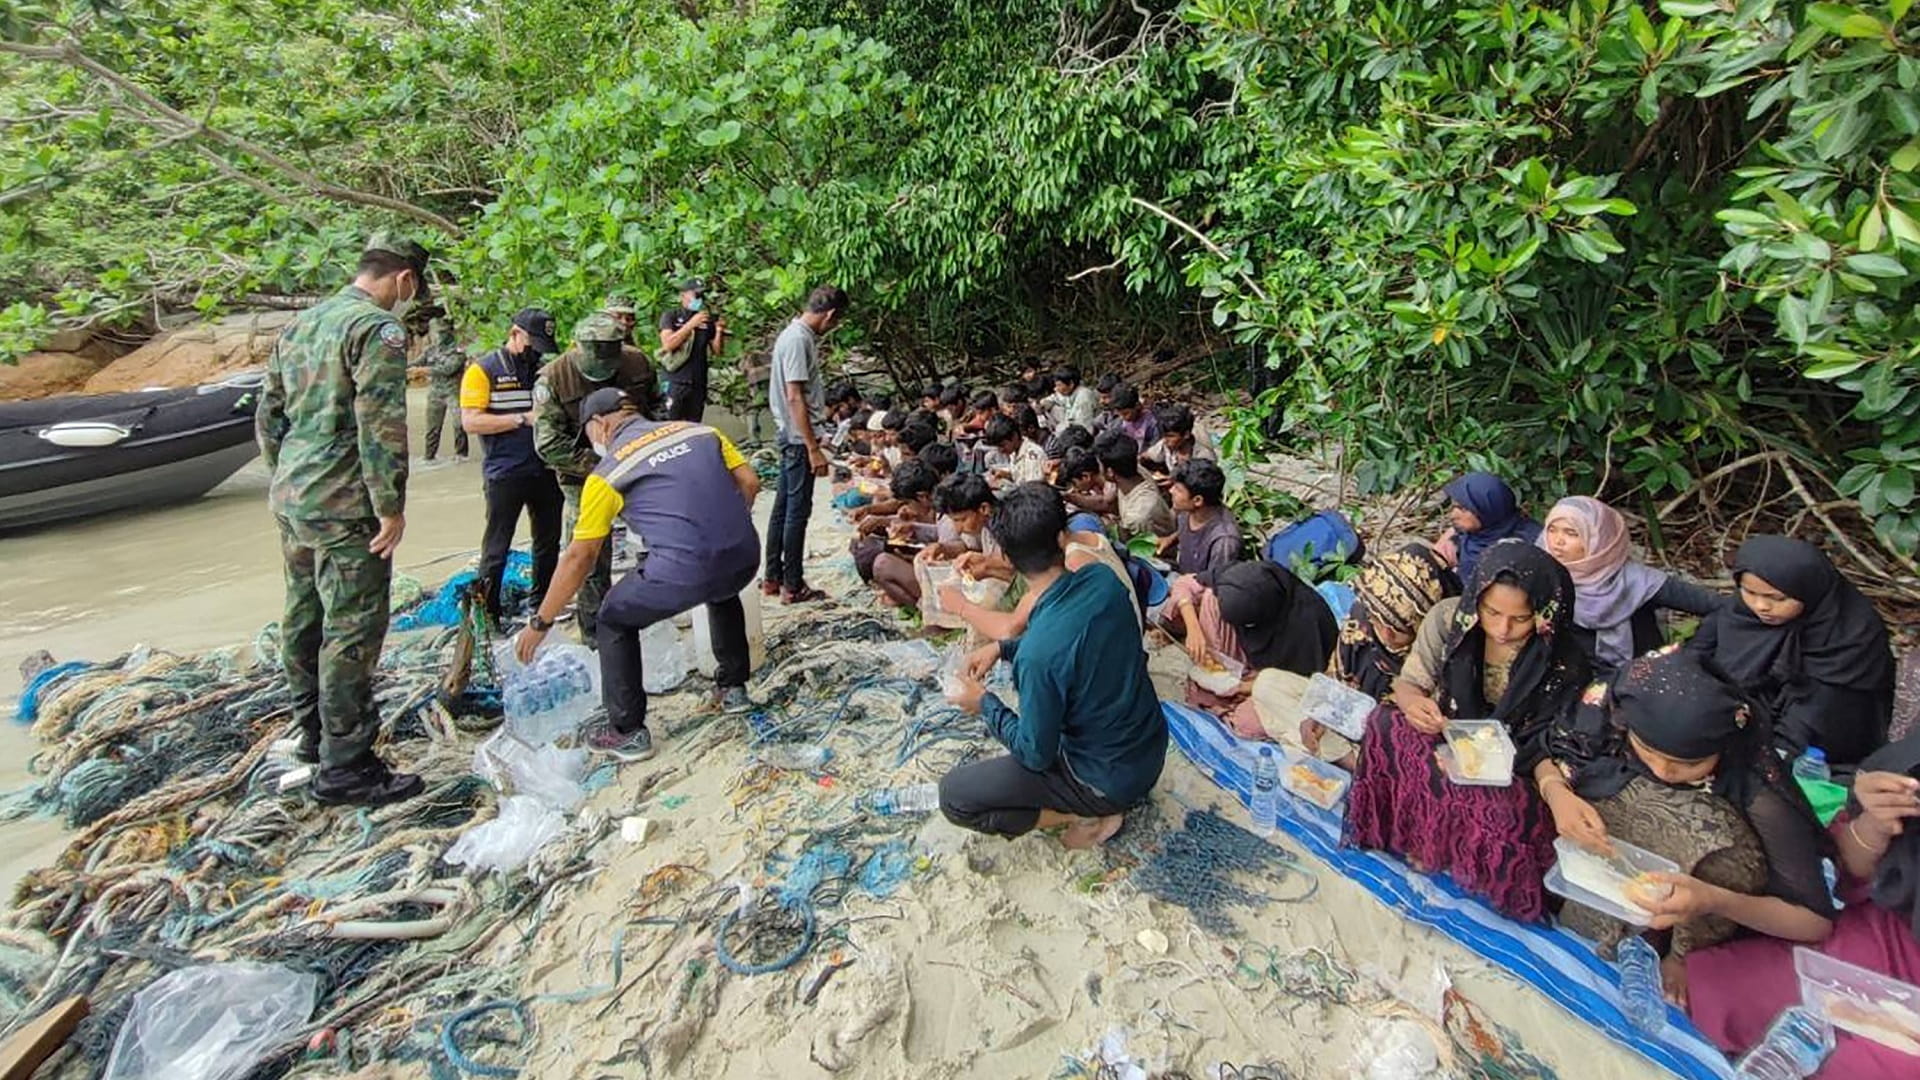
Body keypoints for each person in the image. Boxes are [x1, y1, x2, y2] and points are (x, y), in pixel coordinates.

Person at [1538, 649, 1835, 986]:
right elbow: (1547, 754)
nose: (1663, 771)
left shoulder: (1757, 792)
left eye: (1691, 764)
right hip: (1597, 886)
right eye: (1648, 752)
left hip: (1699, 915)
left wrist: (1710, 899)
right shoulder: (1606, 724)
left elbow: (1813, 922)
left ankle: (1679, 956)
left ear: (1723, 746)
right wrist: (1557, 793)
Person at [255, 232, 429, 806]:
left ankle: (313, 736)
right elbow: (381, 424)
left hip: (293, 497)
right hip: (346, 503)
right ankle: (348, 766)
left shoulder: (300, 325)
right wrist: (390, 505)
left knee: (302, 615)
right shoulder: (375, 330)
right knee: (352, 630)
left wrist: (287, 478)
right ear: (405, 279)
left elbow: (269, 416)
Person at [1345, 541, 1591, 921]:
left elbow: (1546, 746)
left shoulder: (1563, 662)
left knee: (1508, 808)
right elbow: (1409, 684)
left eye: (1521, 619)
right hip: (1447, 736)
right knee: (1383, 722)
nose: (1502, 629)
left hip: (1514, 764)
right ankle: (1419, 837)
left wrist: (1554, 790)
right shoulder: (1449, 620)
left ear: (1545, 614)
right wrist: (1413, 704)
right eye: (1491, 612)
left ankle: (1471, 864)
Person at [514, 389, 761, 760]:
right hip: (744, 554)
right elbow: (751, 482)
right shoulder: (700, 432)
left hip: (685, 570)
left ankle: (626, 730)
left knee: (613, 617)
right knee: (721, 587)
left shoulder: (607, 474)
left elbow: (580, 557)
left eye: (589, 433)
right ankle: (733, 688)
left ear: (600, 424)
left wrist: (541, 621)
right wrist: (727, 528)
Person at [938, 483, 1167, 848]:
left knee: (954, 797)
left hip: (1103, 781)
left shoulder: (1038, 656)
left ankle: (1082, 814)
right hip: (1149, 750)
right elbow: (1074, 645)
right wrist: (1002, 648)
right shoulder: (1103, 579)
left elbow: (1034, 753)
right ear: (1062, 538)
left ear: (1006, 557)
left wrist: (984, 704)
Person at [1684, 736, 1920, 1075]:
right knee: (1706, 990)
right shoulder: (1913, 768)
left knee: (1865, 1065)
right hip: (1877, 944)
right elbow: (1850, 873)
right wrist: (1874, 824)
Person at [1685, 535, 1894, 766]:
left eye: (1777, 598)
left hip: (1818, 733)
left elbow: (1820, 710)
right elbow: (1693, 661)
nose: (1761, 606)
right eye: (1750, 593)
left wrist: (1769, 756)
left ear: (1808, 590)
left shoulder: (1850, 634)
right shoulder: (1739, 612)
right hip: (1740, 714)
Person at [533, 313, 660, 643]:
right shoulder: (554, 378)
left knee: (661, 538)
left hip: (639, 466)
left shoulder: (637, 364)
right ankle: (596, 632)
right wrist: (601, 465)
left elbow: (660, 411)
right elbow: (548, 445)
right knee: (589, 556)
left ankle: (655, 610)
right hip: (583, 475)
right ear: (577, 347)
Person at [1537, 495, 1726, 675]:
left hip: (1640, 683)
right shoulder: (1540, 576)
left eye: (1571, 533)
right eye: (1551, 530)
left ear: (1598, 539)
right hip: (1568, 683)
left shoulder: (1637, 582)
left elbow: (1723, 607)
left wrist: (1691, 655)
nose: (1557, 542)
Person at [462, 307, 564, 626]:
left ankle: (543, 606)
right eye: (532, 344)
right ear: (515, 334)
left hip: (546, 469)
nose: (536, 352)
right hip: (505, 473)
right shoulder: (483, 370)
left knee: (548, 543)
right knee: (496, 548)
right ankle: (489, 616)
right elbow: (471, 422)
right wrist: (521, 419)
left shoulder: (546, 370)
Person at [1170, 560, 1339, 737]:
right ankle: (1226, 683)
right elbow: (1183, 584)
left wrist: (1244, 687)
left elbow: (1300, 683)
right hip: (1243, 658)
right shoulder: (1241, 579)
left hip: (1274, 678)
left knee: (1246, 722)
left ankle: (1234, 697)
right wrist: (1193, 629)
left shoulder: (1308, 623)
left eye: (1249, 625)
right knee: (1210, 597)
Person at [764, 285, 850, 603]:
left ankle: (773, 577)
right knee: (797, 512)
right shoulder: (799, 340)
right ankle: (793, 584)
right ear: (830, 315)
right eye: (836, 321)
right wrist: (813, 447)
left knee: (782, 508)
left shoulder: (794, 336)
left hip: (793, 434)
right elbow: (794, 396)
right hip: (797, 439)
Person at [1437, 471, 1540, 583]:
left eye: (1463, 509)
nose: (1453, 515)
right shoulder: (1470, 533)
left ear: (1487, 509)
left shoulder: (1530, 545)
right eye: (1454, 506)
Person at [1068, 430, 1172, 541]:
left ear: (1110, 472)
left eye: (1099, 465)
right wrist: (1068, 497)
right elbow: (1104, 502)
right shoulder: (1131, 470)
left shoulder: (1137, 516)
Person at [657, 277, 727, 422]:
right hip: (675, 380)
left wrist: (719, 330)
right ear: (683, 295)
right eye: (696, 294)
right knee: (670, 423)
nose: (699, 298)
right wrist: (690, 325)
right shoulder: (671, 315)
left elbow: (717, 351)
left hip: (698, 382)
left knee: (694, 424)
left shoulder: (706, 319)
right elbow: (668, 345)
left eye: (701, 295)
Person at [1162, 459, 1240, 575]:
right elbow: (1190, 531)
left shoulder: (1224, 542)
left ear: (1197, 500)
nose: (1171, 490)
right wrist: (1170, 540)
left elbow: (1217, 582)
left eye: (1178, 489)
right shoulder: (1188, 511)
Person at [600, 295, 662, 417]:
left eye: (629, 319)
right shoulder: (590, 350)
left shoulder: (639, 358)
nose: (624, 322)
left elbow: (655, 398)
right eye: (618, 317)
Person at [416, 317, 469, 461]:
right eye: (435, 332)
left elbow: (448, 369)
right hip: (435, 392)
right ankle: (429, 456)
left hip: (453, 392)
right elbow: (416, 363)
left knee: (459, 424)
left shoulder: (458, 351)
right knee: (432, 427)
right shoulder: (431, 350)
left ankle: (461, 454)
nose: (438, 336)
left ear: (449, 333)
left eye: (441, 332)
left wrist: (423, 371)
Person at [1140, 403, 1216, 479]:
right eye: (1164, 436)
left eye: (1171, 436)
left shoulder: (1203, 457)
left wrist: (1170, 479)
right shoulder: (1166, 445)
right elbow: (1147, 456)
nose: (1165, 440)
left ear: (1186, 435)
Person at [981, 414, 1046, 489]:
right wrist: (1005, 474)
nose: (1001, 450)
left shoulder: (1033, 456)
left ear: (1014, 436)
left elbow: (1031, 490)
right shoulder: (1014, 452)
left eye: (1002, 445)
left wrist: (1001, 486)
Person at [1043, 367, 1100, 431]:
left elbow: (1082, 426)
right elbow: (1055, 398)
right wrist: (1043, 404)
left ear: (1071, 384)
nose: (1056, 389)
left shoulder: (1084, 397)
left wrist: (1058, 429)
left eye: (1059, 385)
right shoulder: (1068, 392)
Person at [1108, 384, 1159, 449]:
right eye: (1119, 414)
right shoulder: (1118, 424)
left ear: (1137, 406)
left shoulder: (1151, 423)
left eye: (1126, 414)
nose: (1122, 417)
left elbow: (1156, 447)